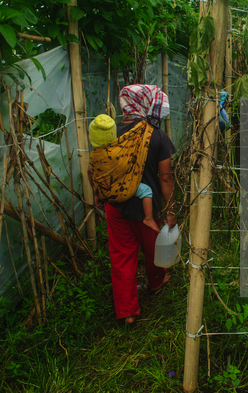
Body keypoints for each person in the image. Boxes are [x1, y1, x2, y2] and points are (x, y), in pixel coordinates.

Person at [90, 85, 177, 325]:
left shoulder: (110, 133)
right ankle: (157, 282)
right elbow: (166, 177)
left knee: (121, 257)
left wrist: (99, 192)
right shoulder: (157, 136)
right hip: (146, 208)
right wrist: (171, 209)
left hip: (116, 206)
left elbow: (95, 166)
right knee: (153, 251)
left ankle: (127, 312)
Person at [88, 114, 160, 234]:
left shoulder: (94, 156)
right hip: (123, 189)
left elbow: (90, 172)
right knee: (146, 190)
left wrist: (97, 193)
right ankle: (148, 218)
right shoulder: (118, 151)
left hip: (107, 190)